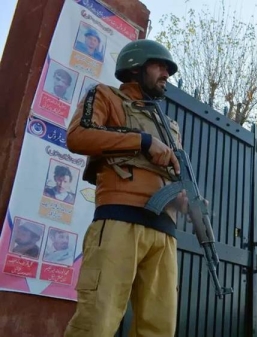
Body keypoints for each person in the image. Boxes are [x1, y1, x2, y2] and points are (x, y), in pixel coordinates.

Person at [63, 39, 188, 337]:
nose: (166, 74)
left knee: (158, 330)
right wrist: (142, 141)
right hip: (120, 222)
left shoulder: (170, 125)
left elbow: (174, 171)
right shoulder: (106, 96)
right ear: (135, 67)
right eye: (159, 66)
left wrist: (181, 196)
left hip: (164, 234)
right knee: (97, 322)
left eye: (168, 70)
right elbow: (79, 135)